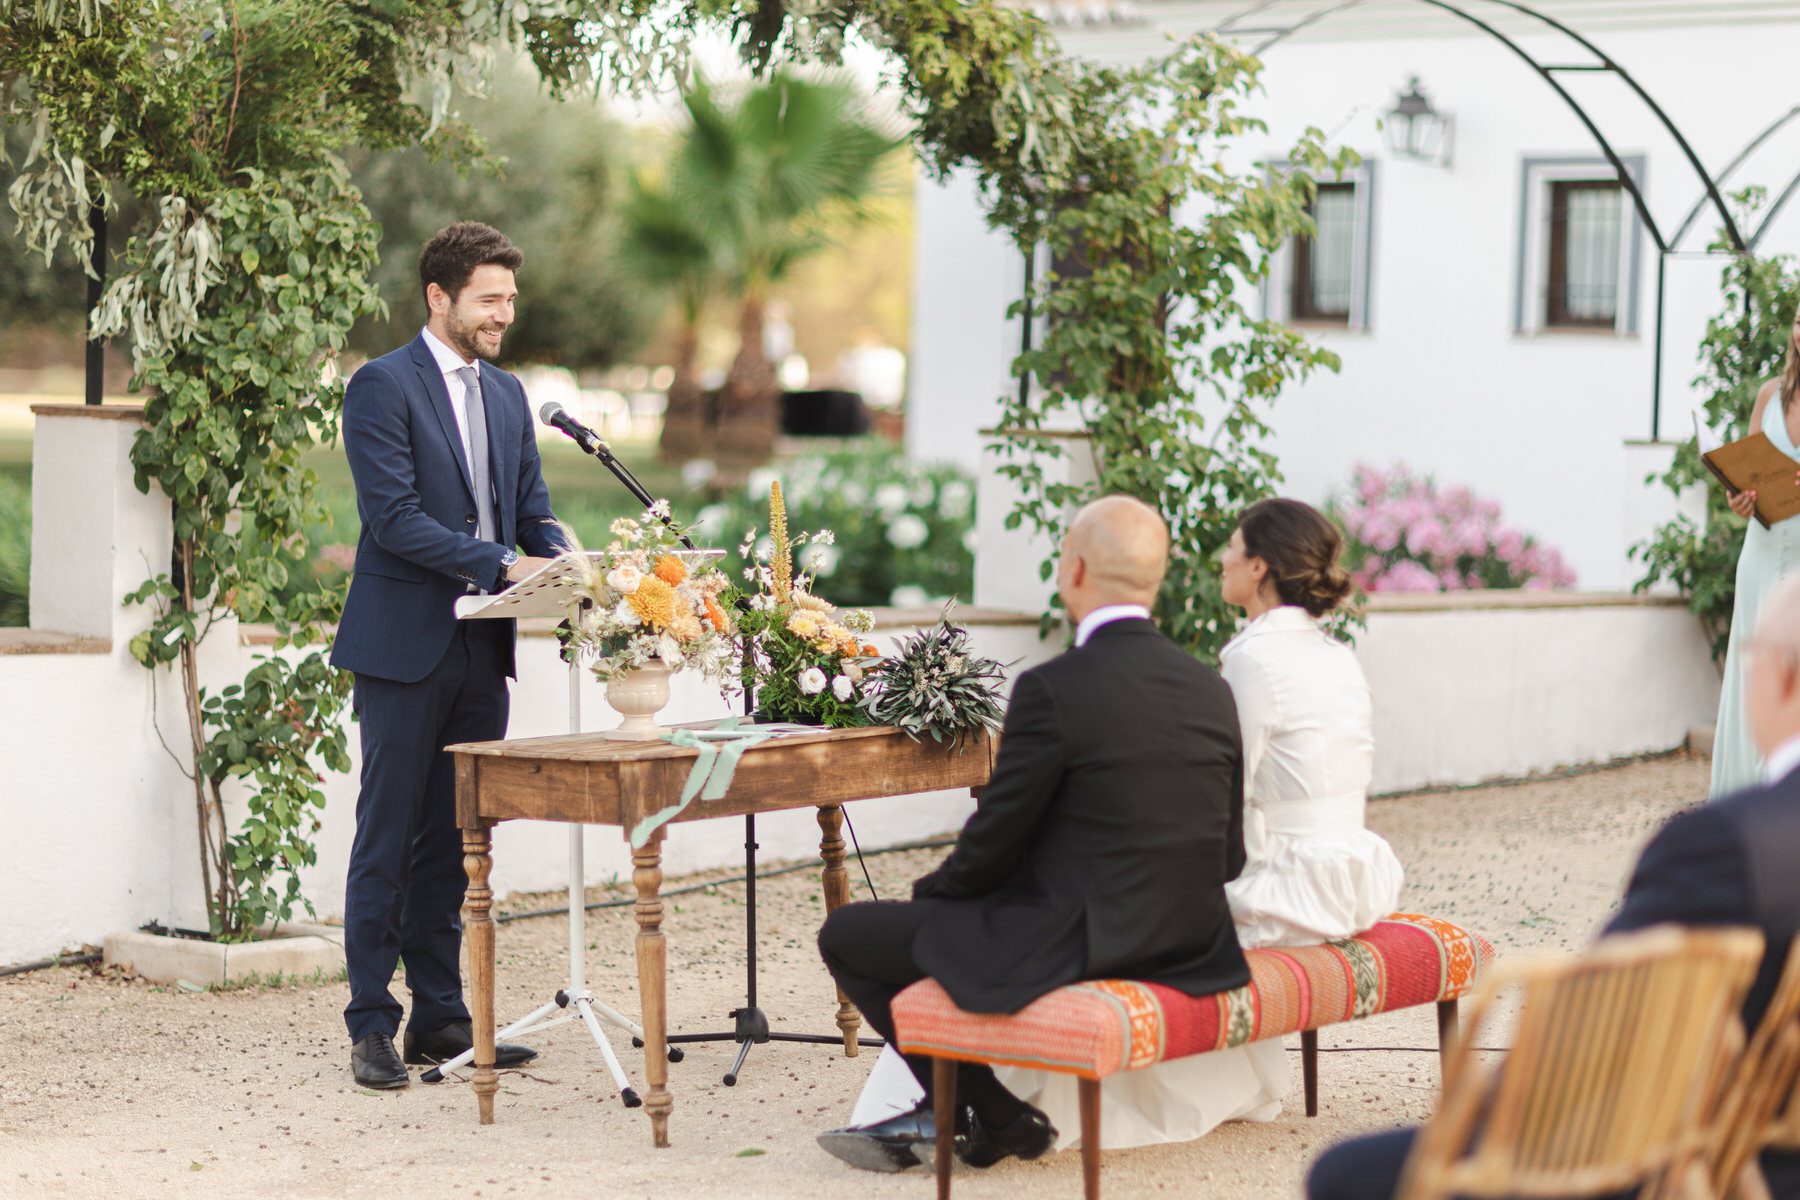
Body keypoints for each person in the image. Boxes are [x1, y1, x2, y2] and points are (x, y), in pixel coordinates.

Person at [1307, 573, 1800, 1200]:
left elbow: (1579, 1049)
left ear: (1782, 675)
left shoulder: (1729, 844)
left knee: (1347, 1176)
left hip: (1701, 1161)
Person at [815, 494, 1251, 1172]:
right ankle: (982, 1116)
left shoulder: (1054, 687)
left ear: (1072, 570)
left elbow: (994, 842)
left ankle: (991, 1111)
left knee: (850, 935)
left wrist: (934, 900)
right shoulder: (1209, 687)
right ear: (1156, 578)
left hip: (1087, 941)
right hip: (1191, 941)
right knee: (940, 927)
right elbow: (1229, 854)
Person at [980, 497, 1404, 1149]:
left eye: (1233, 547)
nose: (1222, 558)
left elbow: (1219, 793)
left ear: (1259, 567)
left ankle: (1029, 1074)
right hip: (1352, 874)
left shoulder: (1256, 657)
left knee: (1097, 896)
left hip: (1286, 886)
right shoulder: (1334, 653)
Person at [330, 222, 568, 1089]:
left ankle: (440, 1017)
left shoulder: (507, 394)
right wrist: (501, 559)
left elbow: (530, 508)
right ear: (440, 298)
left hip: (482, 650)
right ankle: (369, 1024)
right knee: (387, 837)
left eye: (510, 297)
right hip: (402, 648)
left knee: (459, 840)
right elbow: (392, 518)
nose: (505, 312)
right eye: (489, 298)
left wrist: (565, 554)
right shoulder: (381, 387)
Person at [1711, 307, 1800, 797]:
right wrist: (1738, 498)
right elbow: (1743, 478)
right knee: (1755, 678)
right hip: (1761, 558)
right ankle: (1743, 801)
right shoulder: (1769, 395)